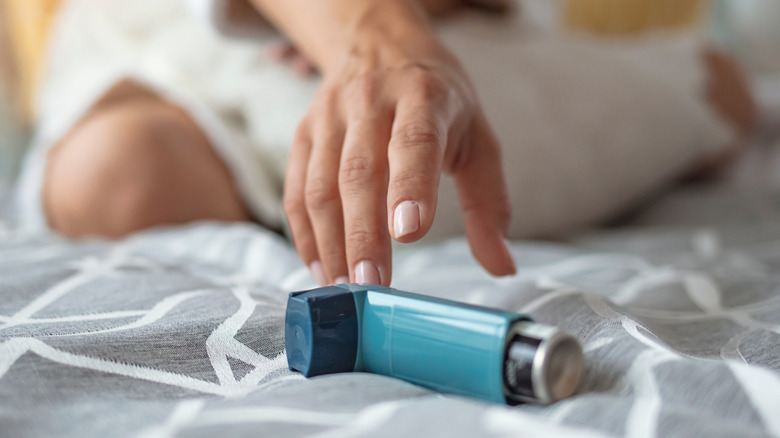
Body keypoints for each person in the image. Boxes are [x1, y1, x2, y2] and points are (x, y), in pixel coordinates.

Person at [13, 0, 755, 287]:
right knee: (118, 177)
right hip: (181, 45)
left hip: (458, 39)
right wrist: (369, 32)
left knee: (716, 95)